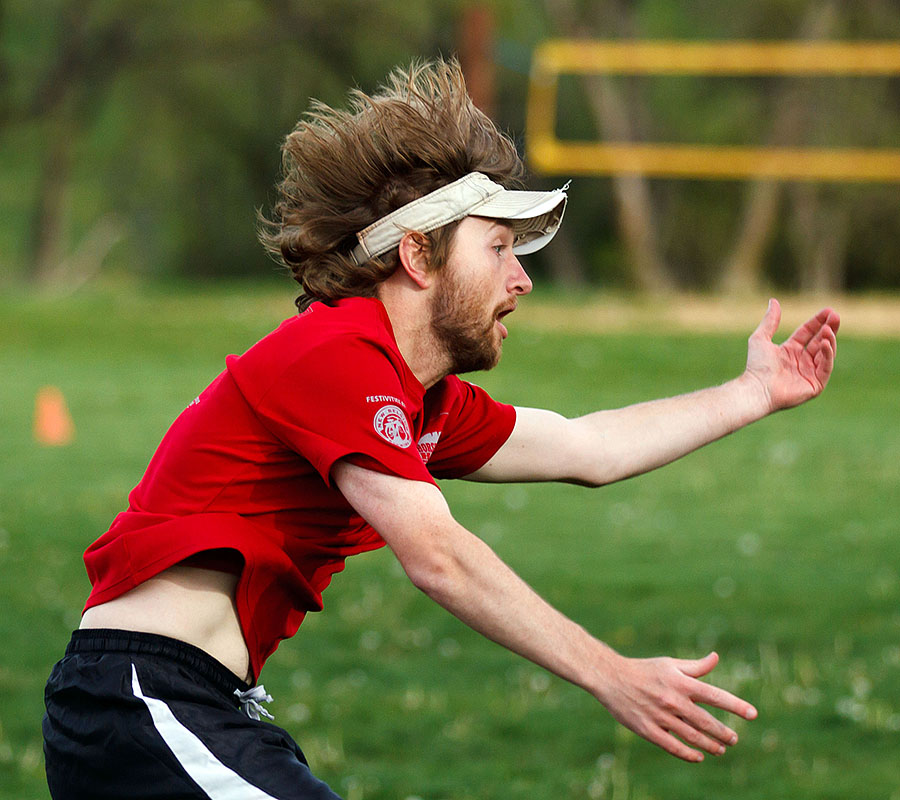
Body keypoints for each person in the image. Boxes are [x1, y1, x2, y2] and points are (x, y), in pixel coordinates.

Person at [42, 59, 840, 800]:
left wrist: (753, 394)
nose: (521, 278)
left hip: (196, 704)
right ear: (419, 256)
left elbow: (587, 448)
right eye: (497, 248)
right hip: (138, 699)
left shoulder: (416, 398)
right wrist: (611, 675)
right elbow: (438, 557)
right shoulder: (338, 352)